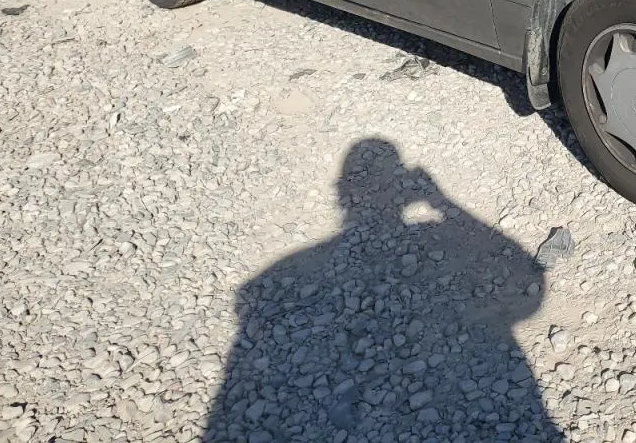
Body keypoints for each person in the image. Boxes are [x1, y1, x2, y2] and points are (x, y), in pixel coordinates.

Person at [203, 138, 561, 442]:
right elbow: (529, 288)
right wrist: (442, 202)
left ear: (343, 194)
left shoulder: (267, 280)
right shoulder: (267, 282)